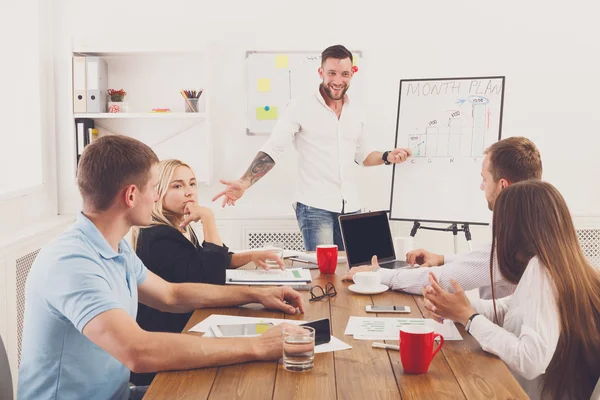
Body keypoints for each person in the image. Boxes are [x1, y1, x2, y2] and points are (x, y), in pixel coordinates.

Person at [17, 136, 305, 400]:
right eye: (155, 188)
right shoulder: (71, 262)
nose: (156, 197)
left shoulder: (114, 246)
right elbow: (137, 351)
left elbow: (171, 295)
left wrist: (257, 295)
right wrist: (257, 347)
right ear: (131, 196)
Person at [212, 44, 412, 251]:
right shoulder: (299, 107)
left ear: (352, 73)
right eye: (331, 73)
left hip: (352, 209)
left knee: (352, 272)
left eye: (344, 74)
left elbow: (362, 156)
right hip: (315, 207)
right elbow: (274, 148)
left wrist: (388, 156)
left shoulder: (356, 111)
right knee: (323, 274)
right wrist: (245, 182)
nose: (337, 80)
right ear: (321, 72)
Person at [421, 180, 600, 400]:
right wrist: (457, 307)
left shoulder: (541, 271)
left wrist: (468, 317)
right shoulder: (571, 267)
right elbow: (513, 310)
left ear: (516, 229)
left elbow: (531, 360)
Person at [130, 159, 285, 386]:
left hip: (185, 325)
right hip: (172, 339)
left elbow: (207, 260)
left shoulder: (176, 226)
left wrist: (251, 255)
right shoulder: (159, 236)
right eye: (177, 186)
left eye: (192, 184)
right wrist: (208, 219)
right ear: (158, 192)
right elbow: (211, 279)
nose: (189, 193)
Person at [342, 136, 543, 299]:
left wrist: (377, 274)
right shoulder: (534, 225)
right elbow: (482, 259)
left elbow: (442, 280)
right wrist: (441, 259)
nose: (481, 186)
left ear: (502, 185)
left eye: (484, 179)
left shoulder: (513, 241)